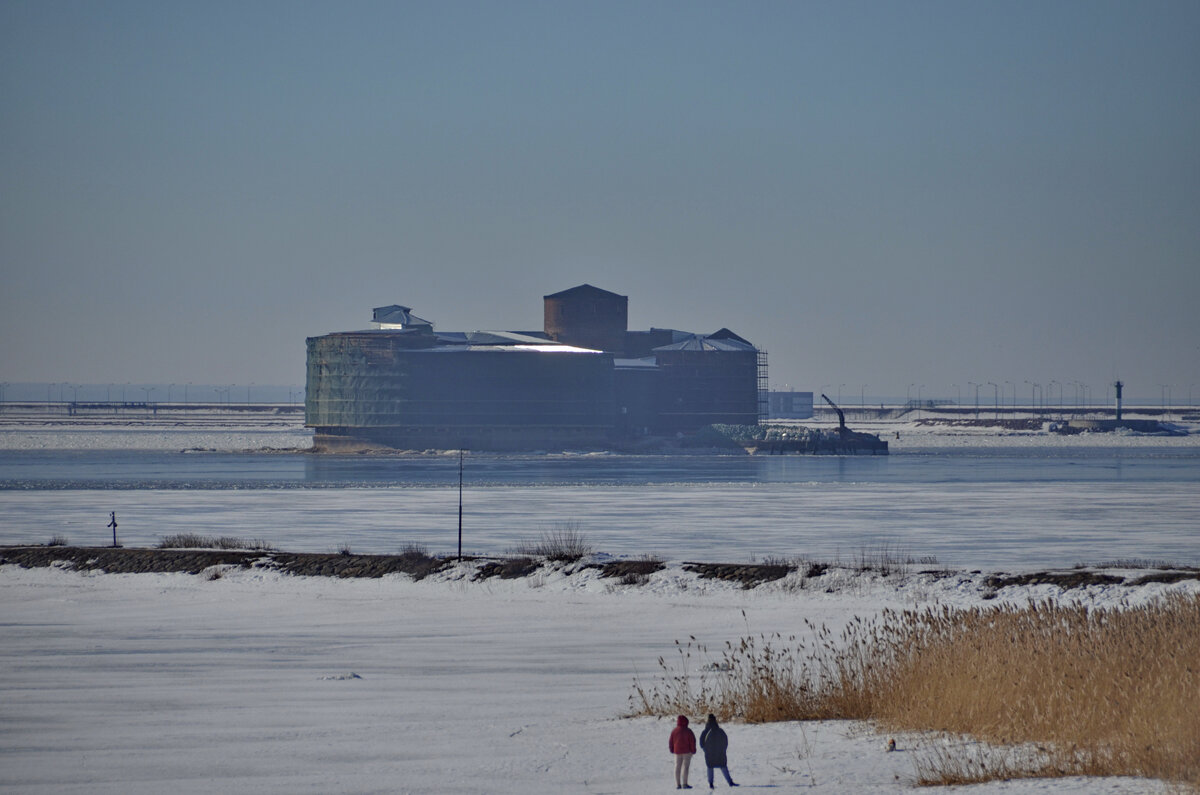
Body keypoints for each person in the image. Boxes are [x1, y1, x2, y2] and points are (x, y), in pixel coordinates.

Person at [699, 714, 738, 788]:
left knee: (710, 767)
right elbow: (725, 741)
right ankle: (730, 782)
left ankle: (710, 783)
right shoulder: (720, 730)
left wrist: (706, 750)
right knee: (723, 766)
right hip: (720, 753)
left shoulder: (705, 731)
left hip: (709, 753)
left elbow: (701, 743)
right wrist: (723, 750)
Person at [668, 714, 697, 789]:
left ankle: (678, 784)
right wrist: (693, 750)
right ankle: (685, 784)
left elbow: (671, 741)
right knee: (685, 767)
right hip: (687, 752)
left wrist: (672, 749)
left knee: (677, 767)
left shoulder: (674, 731)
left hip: (677, 752)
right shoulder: (688, 731)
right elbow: (692, 741)